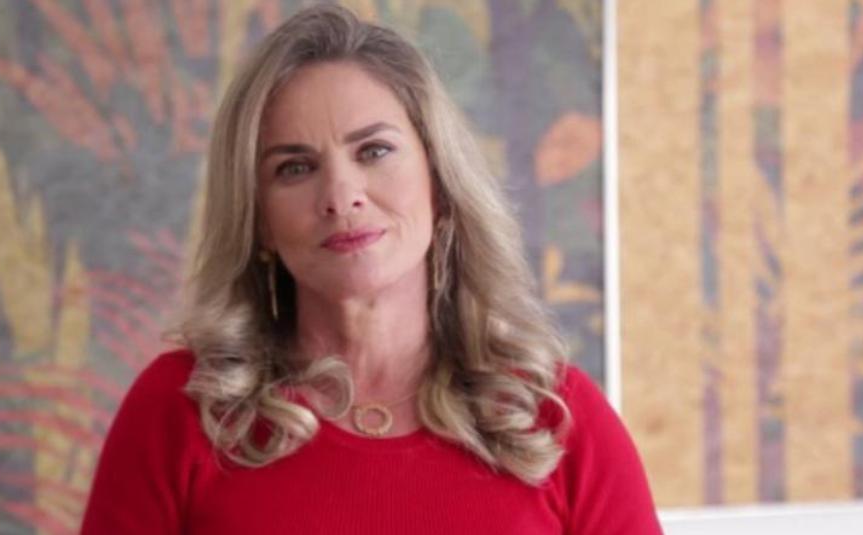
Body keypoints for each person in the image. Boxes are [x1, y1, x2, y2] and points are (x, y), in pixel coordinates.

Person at [80, 5, 661, 534]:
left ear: (439, 179)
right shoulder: (181, 409)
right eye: (295, 168)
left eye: (374, 151)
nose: (341, 196)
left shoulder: (555, 417)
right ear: (258, 219)